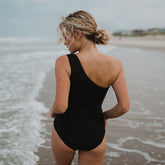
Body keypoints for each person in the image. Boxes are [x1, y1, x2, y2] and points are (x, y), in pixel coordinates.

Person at [50, 10, 130, 165]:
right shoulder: (115, 65)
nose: (65, 42)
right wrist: (104, 116)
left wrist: (52, 109)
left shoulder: (64, 62)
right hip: (95, 133)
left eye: (66, 37)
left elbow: (60, 107)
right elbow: (124, 107)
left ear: (78, 34)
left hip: (65, 130)